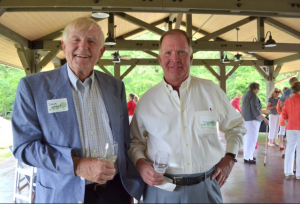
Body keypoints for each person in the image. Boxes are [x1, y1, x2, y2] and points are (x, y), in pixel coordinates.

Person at [11, 17, 144, 203]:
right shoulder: (33, 88)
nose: (83, 47)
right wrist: (76, 165)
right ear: (64, 46)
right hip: (63, 194)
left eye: (91, 41)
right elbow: (24, 147)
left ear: (101, 51)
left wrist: (128, 186)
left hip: (114, 192)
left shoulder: (116, 87)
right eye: (76, 40)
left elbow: (123, 143)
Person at [129, 29, 246, 203]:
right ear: (160, 59)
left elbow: (236, 126)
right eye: (168, 53)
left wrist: (230, 157)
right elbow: (134, 141)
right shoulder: (147, 100)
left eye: (181, 52)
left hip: (206, 188)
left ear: (191, 58)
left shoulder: (211, 91)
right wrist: (140, 163)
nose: (174, 58)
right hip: (162, 189)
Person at [241, 82, 269, 164]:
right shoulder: (253, 96)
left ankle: (247, 155)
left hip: (246, 119)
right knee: (252, 139)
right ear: (255, 88)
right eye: (258, 88)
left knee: (247, 138)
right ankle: (248, 157)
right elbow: (255, 110)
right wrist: (264, 119)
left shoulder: (246, 94)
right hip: (252, 120)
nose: (259, 90)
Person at [282, 81, 300, 179]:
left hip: (290, 127)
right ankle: (299, 174)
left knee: (290, 149)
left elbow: (284, 115)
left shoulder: (288, 101)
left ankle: (288, 171)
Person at [280, 77, 299, 158]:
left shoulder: (286, 94)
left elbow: (281, 106)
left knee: (290, 145)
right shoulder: (286, 92)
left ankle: (288, 170)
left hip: (290, 123)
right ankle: (298, 171)